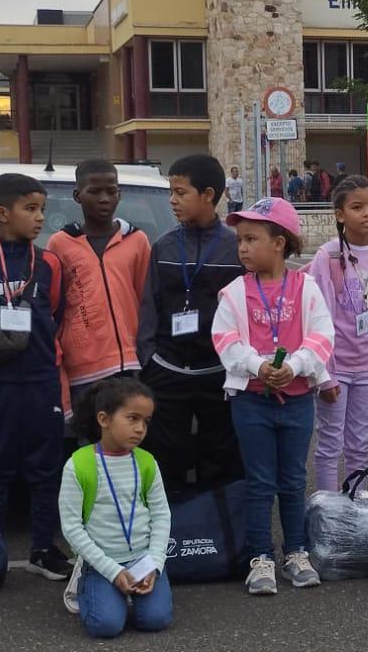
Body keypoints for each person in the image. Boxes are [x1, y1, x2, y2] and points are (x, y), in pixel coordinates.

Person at [211, 197, 334, 595]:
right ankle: (260, 556)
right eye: (240, 240)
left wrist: (294, 366)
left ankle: (296, 551)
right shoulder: (233, 293)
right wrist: (257, 366)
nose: (243, 247)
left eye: (252, 238)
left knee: (294, 479)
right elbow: (224, 339)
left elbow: (322, 336)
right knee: (260, 481)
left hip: (297, 401)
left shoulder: (307, 287)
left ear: (279, 243)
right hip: (251, 402)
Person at [0, 172, 71, 579]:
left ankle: (43, 546)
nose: (40, 217)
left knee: (46, 467)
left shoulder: (51, 264)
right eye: (31, 209)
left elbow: (55, 313)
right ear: (2, 213)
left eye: (42, 208)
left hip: (42, 379)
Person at [136, 155, 245, 501]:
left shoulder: (236, 248)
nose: (172, 200)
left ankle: (220, 539)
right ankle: (171, 541)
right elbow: (149, 305)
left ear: (209, 194)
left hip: (218, 373)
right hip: (167, 371)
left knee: (220, 462)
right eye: (171, 192)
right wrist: (149, 359)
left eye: (180, 193)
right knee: (167, 461)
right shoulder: (164, 246)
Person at [305, 175, 368, 491]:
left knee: (360, 443)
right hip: (336, 370)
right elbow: (317, 320)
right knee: (330, 444)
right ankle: (329, 511)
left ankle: (354, 512)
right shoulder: (329, 257)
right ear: (339, 214)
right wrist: (324, 375)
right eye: (358, 207)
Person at [60, 377, 172, 638]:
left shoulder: (147, 462)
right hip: (102, 561)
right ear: (104, 419)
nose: (140, 428)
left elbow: (161, 515)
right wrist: (112, 571)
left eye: (145, 421)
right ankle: (87, 581)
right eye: (132, 418)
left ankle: (126, 592)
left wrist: (155, 564)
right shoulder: (78, 465)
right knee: (106, 626)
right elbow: (71, 527)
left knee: (156, 619)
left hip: (142, 559)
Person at [50, 159, 152, 410]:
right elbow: (56, 307)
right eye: (94, 192)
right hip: (82, 367)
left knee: (127, 439)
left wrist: (146, 351)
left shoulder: (137, 240)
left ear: (120, 194)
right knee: (90, 442)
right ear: (77, 196)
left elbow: (146, 300)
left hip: (130, 363)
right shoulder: (60, 244)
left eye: (111, 191)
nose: (104, 198)